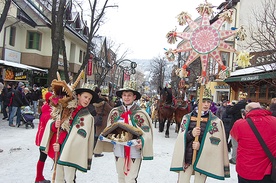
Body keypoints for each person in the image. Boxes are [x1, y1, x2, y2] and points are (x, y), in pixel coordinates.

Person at [94, 80, 154, 183]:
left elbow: (146, 132)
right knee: (121, 178)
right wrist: (106, 136)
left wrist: (142, 141)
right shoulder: (115, 112)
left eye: (129, 95)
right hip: (119, 149)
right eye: (124, 95)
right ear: (121, 96)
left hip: (134, 150)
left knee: (130, 179)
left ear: (134, 97)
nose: (126, 97)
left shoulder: (140, 113)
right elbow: (109, 128)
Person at [170, 87, 230, 183]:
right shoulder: (187, 118)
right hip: (187, 157)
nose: (206, 104)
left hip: (203, 158)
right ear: (198, 102)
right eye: (203, 101)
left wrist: (201, 146)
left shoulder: (215, 121)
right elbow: (181, 138)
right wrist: (191, 134)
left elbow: (215, 142)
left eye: (208, 102)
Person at [40, 85, 98, 183]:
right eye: (85, 97)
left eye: (89, 99)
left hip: (71, 153)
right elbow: (55, 126)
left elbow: (81, 139)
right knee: (58, 178)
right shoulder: (66, 108)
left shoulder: (88, 117)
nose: (87, 100)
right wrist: (55, 125)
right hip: (58, 150)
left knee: (69, 178)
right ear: (78, 96)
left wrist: (62, 146)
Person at [230, 102, 276, 183]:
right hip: (268, 171)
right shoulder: (274, 121)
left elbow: (234, 138)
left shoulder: (239, 124)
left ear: (246, 112)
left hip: (246, 170)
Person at [34, 92, 52, 183]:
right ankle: (39, 178)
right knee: (44, 157)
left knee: (42, 157)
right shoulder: (49, 112)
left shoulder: (45, 109)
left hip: (42, 138)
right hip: (45, 139)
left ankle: (39, 177)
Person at [225, 92, 248, 164]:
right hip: (246, 125)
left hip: (236, 125)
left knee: (235, 143)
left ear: (240, 98)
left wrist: (229, 106)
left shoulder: (237, 105)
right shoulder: (247, 105)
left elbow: (228, 112)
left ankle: (234, 159)